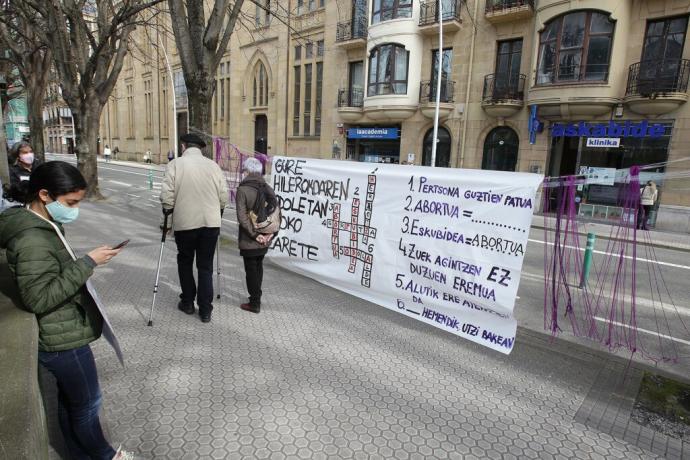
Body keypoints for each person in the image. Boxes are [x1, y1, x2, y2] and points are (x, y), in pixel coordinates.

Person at [0, 161, 132, 460]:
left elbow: (49, 276)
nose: (75, 210)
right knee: (87, 405)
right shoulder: (32, 238)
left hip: (63, 330)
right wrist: (88, 263)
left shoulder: (41, 224)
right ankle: (107, 455)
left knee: (69, 404)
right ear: (44, 195)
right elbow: (39, 298)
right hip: (62, 340)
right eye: (71, 203)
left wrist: (85, 262)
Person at [160, 133, 228, 323]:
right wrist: (218, 214)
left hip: (185, 223)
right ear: (200, 148)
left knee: (185, 261)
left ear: (183, 147)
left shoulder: (175, 164)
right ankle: (206, 310)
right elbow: (224, 196)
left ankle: (188, 302)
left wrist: (166, 217)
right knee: (205, 266)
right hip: (210, 223)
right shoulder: (213, 166)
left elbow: (167, 195)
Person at [236, 157, 277, 314]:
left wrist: (254, 235)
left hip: (249, 238)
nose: (243, 173)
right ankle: (256, 298)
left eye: (244, 170)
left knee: (251, 269)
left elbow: (242, 217)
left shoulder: (243, 190)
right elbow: (276, 212)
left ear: (247, 171)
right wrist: (271, 234)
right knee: (258, 267)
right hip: (265, 237)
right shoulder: (267, 187)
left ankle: (254, 303)